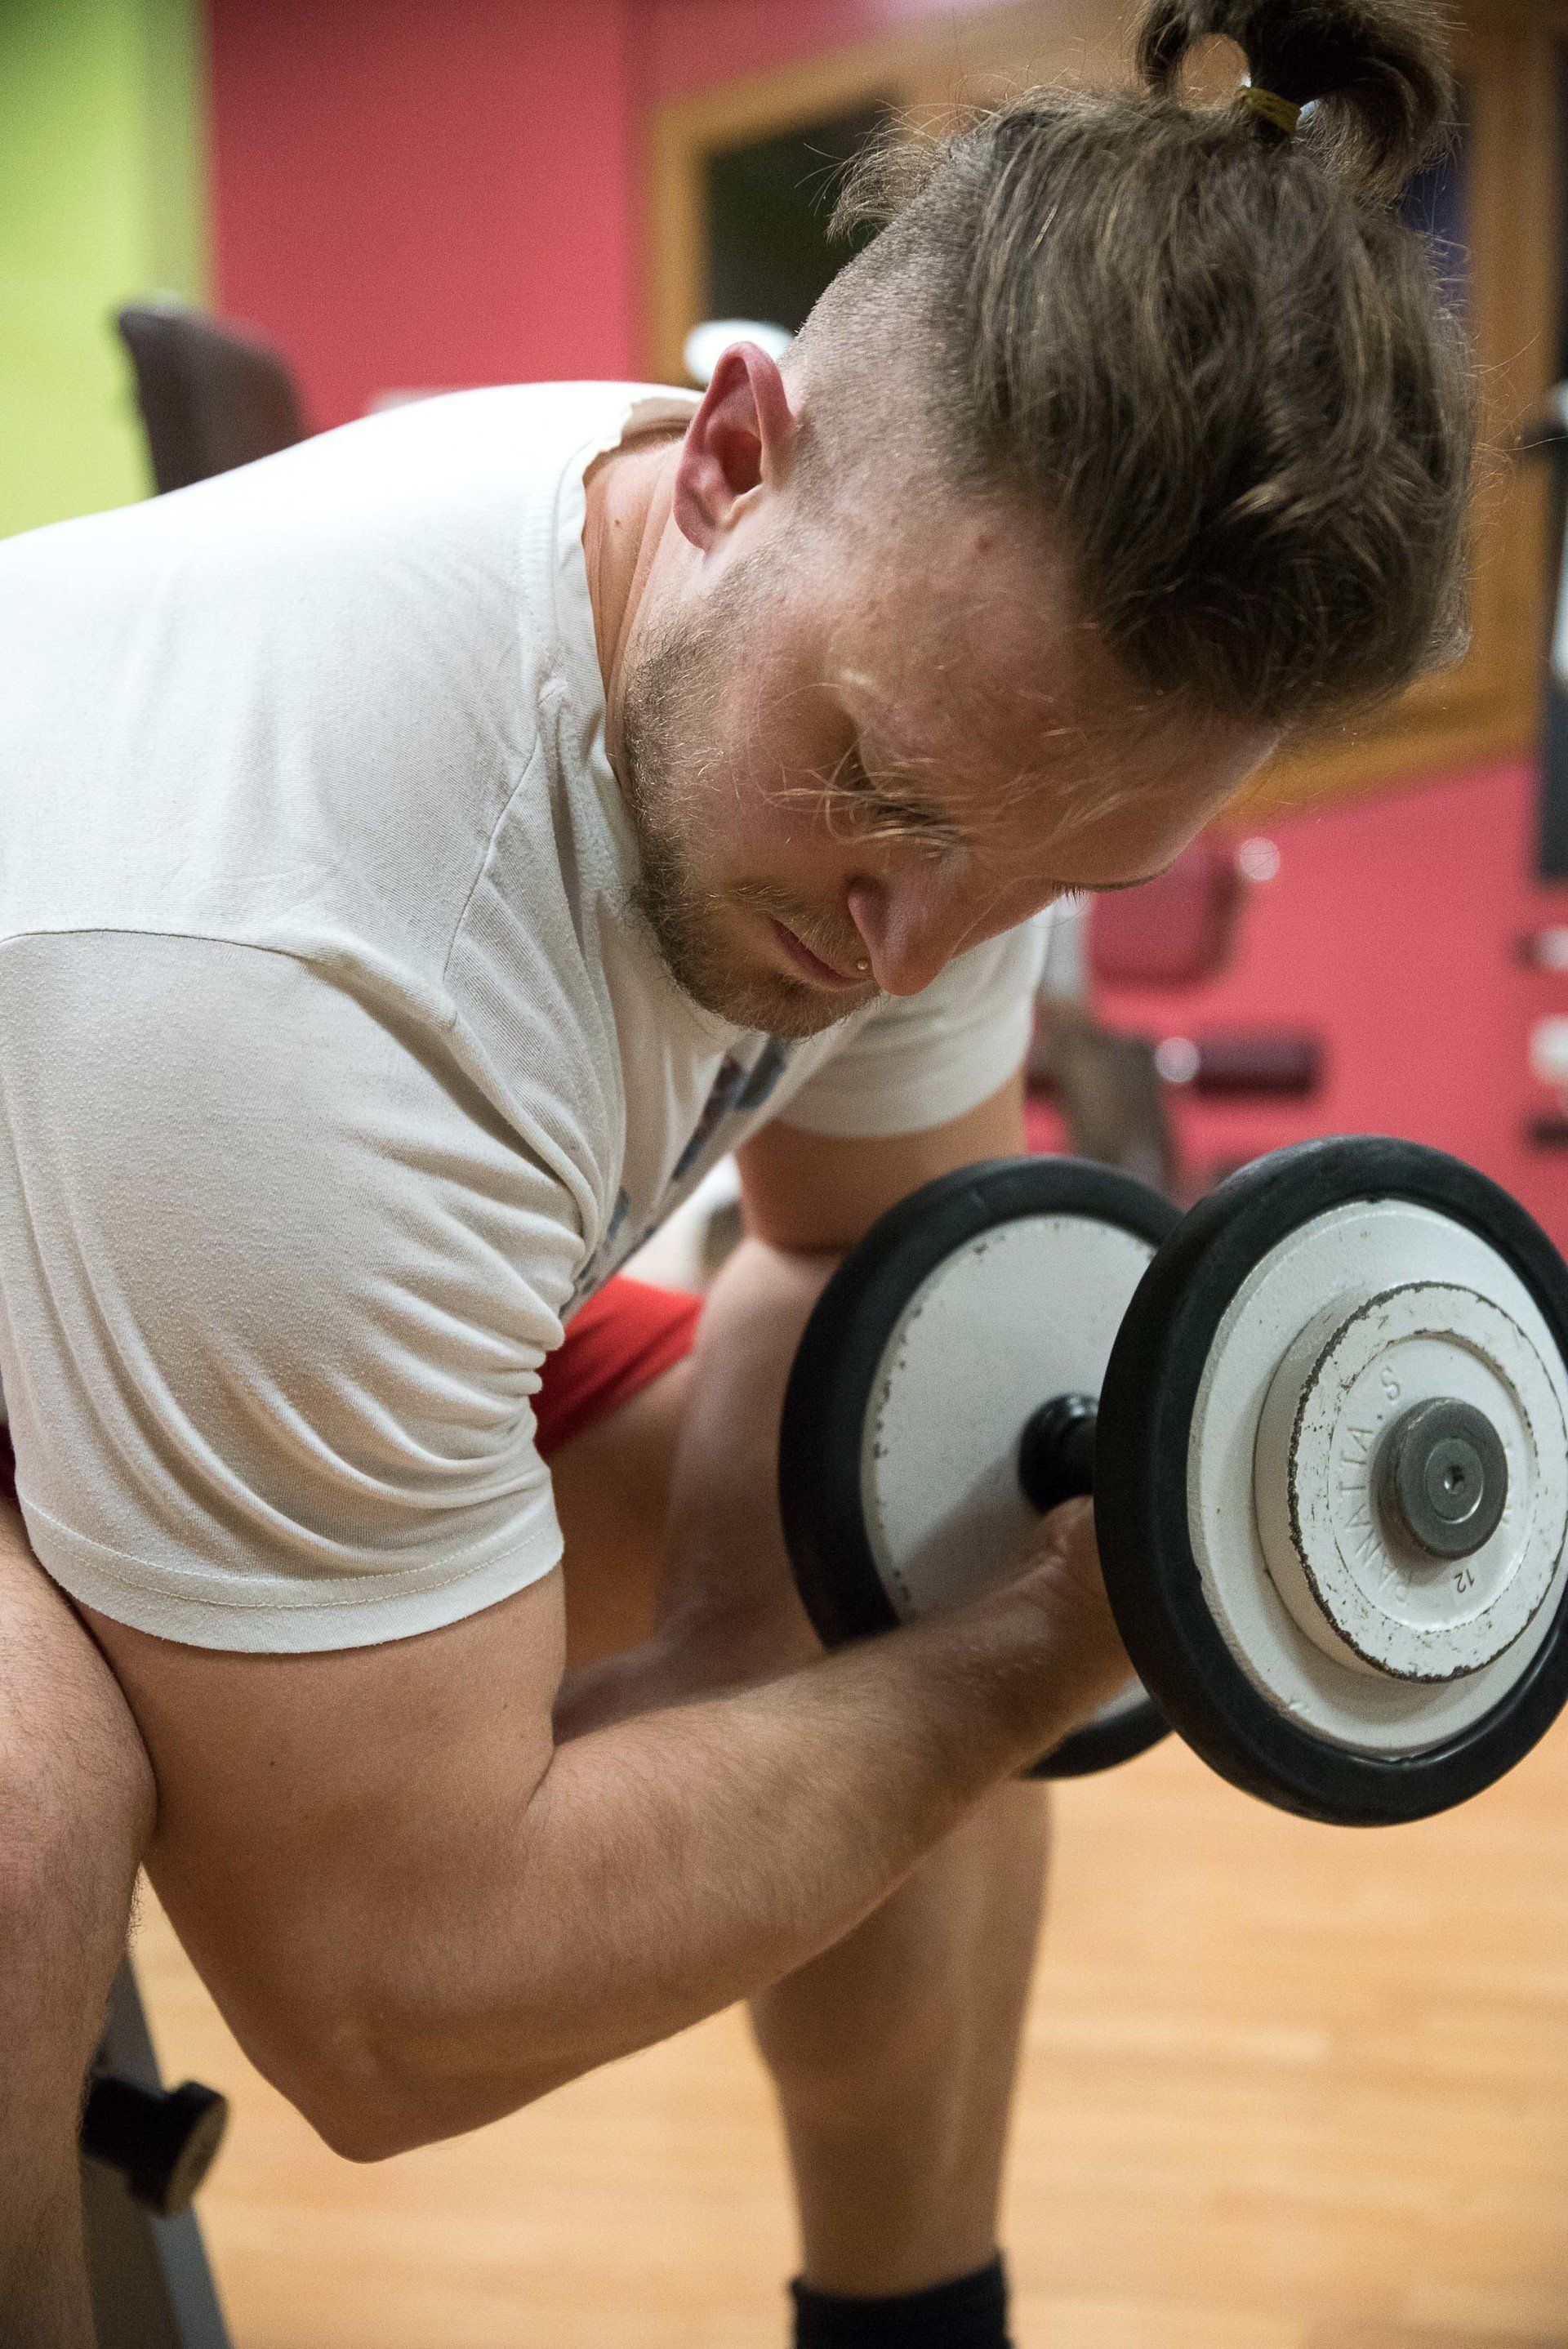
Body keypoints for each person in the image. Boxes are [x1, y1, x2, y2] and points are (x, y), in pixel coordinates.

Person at [0, 0, 1472, 2340]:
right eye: (878, 795)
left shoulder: (946, 717)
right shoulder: (300, 970)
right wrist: (1043, 1650)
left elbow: (880, 1295)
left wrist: (761, 1655)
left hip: (185, 1237)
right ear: (728, 456)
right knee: (19, 1819)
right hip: (123, 1156)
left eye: (1037, 878)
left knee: (914, 1510)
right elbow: (382, 2009)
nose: (909, 949)